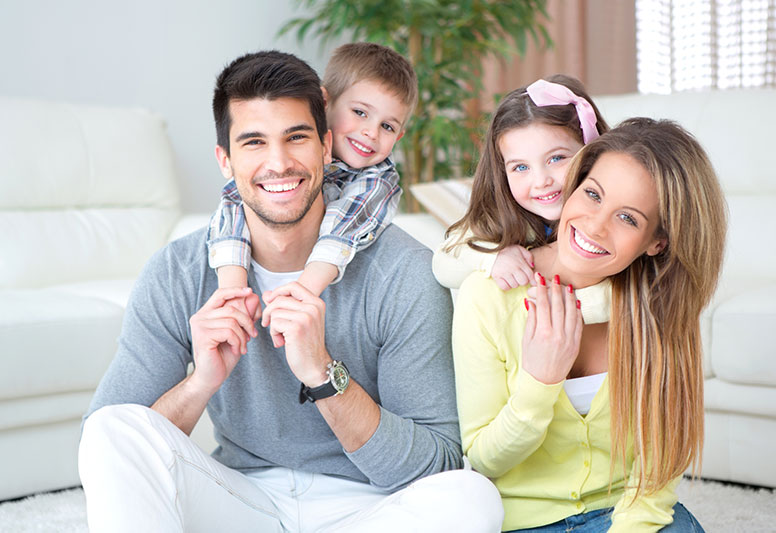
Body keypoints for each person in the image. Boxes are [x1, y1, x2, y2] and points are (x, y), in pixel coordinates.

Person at [78, 50, 503, 533]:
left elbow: (436, 463)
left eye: (296, 138)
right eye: (254, 142)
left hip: (369, 506)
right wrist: (201, 383)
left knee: (471, 498)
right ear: (225, 160)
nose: (278, 163)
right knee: (110, 428)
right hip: (241, 499)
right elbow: (113, 449)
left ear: (325, 146)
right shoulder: (177, 272)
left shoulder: (404, 272)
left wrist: (324, 376)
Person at [453, 118, 726, 531]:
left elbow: (657, 472)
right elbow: (484, 460)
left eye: (628, 218)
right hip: (522, 521)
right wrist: (540, 383)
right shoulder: (489, 296)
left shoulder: (661, 308)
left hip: (625, 513)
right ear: (573, 187)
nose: (595, 225)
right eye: (592, 195)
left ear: (658, 241)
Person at [208, 42, 415, 299]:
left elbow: (344, 229)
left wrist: (303, 292)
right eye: (360, 112)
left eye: (387, 127)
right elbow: (233, 200)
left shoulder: (377, 179)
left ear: (399, 136)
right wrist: (231, 291)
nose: (371, 133)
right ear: (325, 102)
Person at [432, 75, 609, 292]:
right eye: (521, 168)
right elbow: (442, 265)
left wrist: (574, 304)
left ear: (590, 151)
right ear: (502, 173)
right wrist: (492, 260)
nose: (541, 181)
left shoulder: (611, 219)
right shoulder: (504, 218)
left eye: (556, 158)